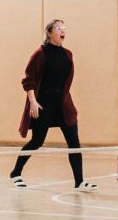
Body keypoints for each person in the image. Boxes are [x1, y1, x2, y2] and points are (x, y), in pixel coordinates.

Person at [10, 19, 94, 190]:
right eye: (58, 28)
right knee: (37, 142)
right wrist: (33, 102)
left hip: (63, 105)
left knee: (74, 143)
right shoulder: (40, 53)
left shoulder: (68, 55)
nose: (63, 31)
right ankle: (16, 173)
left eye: (64, 28)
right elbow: (28, 80)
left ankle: (79, 182)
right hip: (43, 105)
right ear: (49, 33)